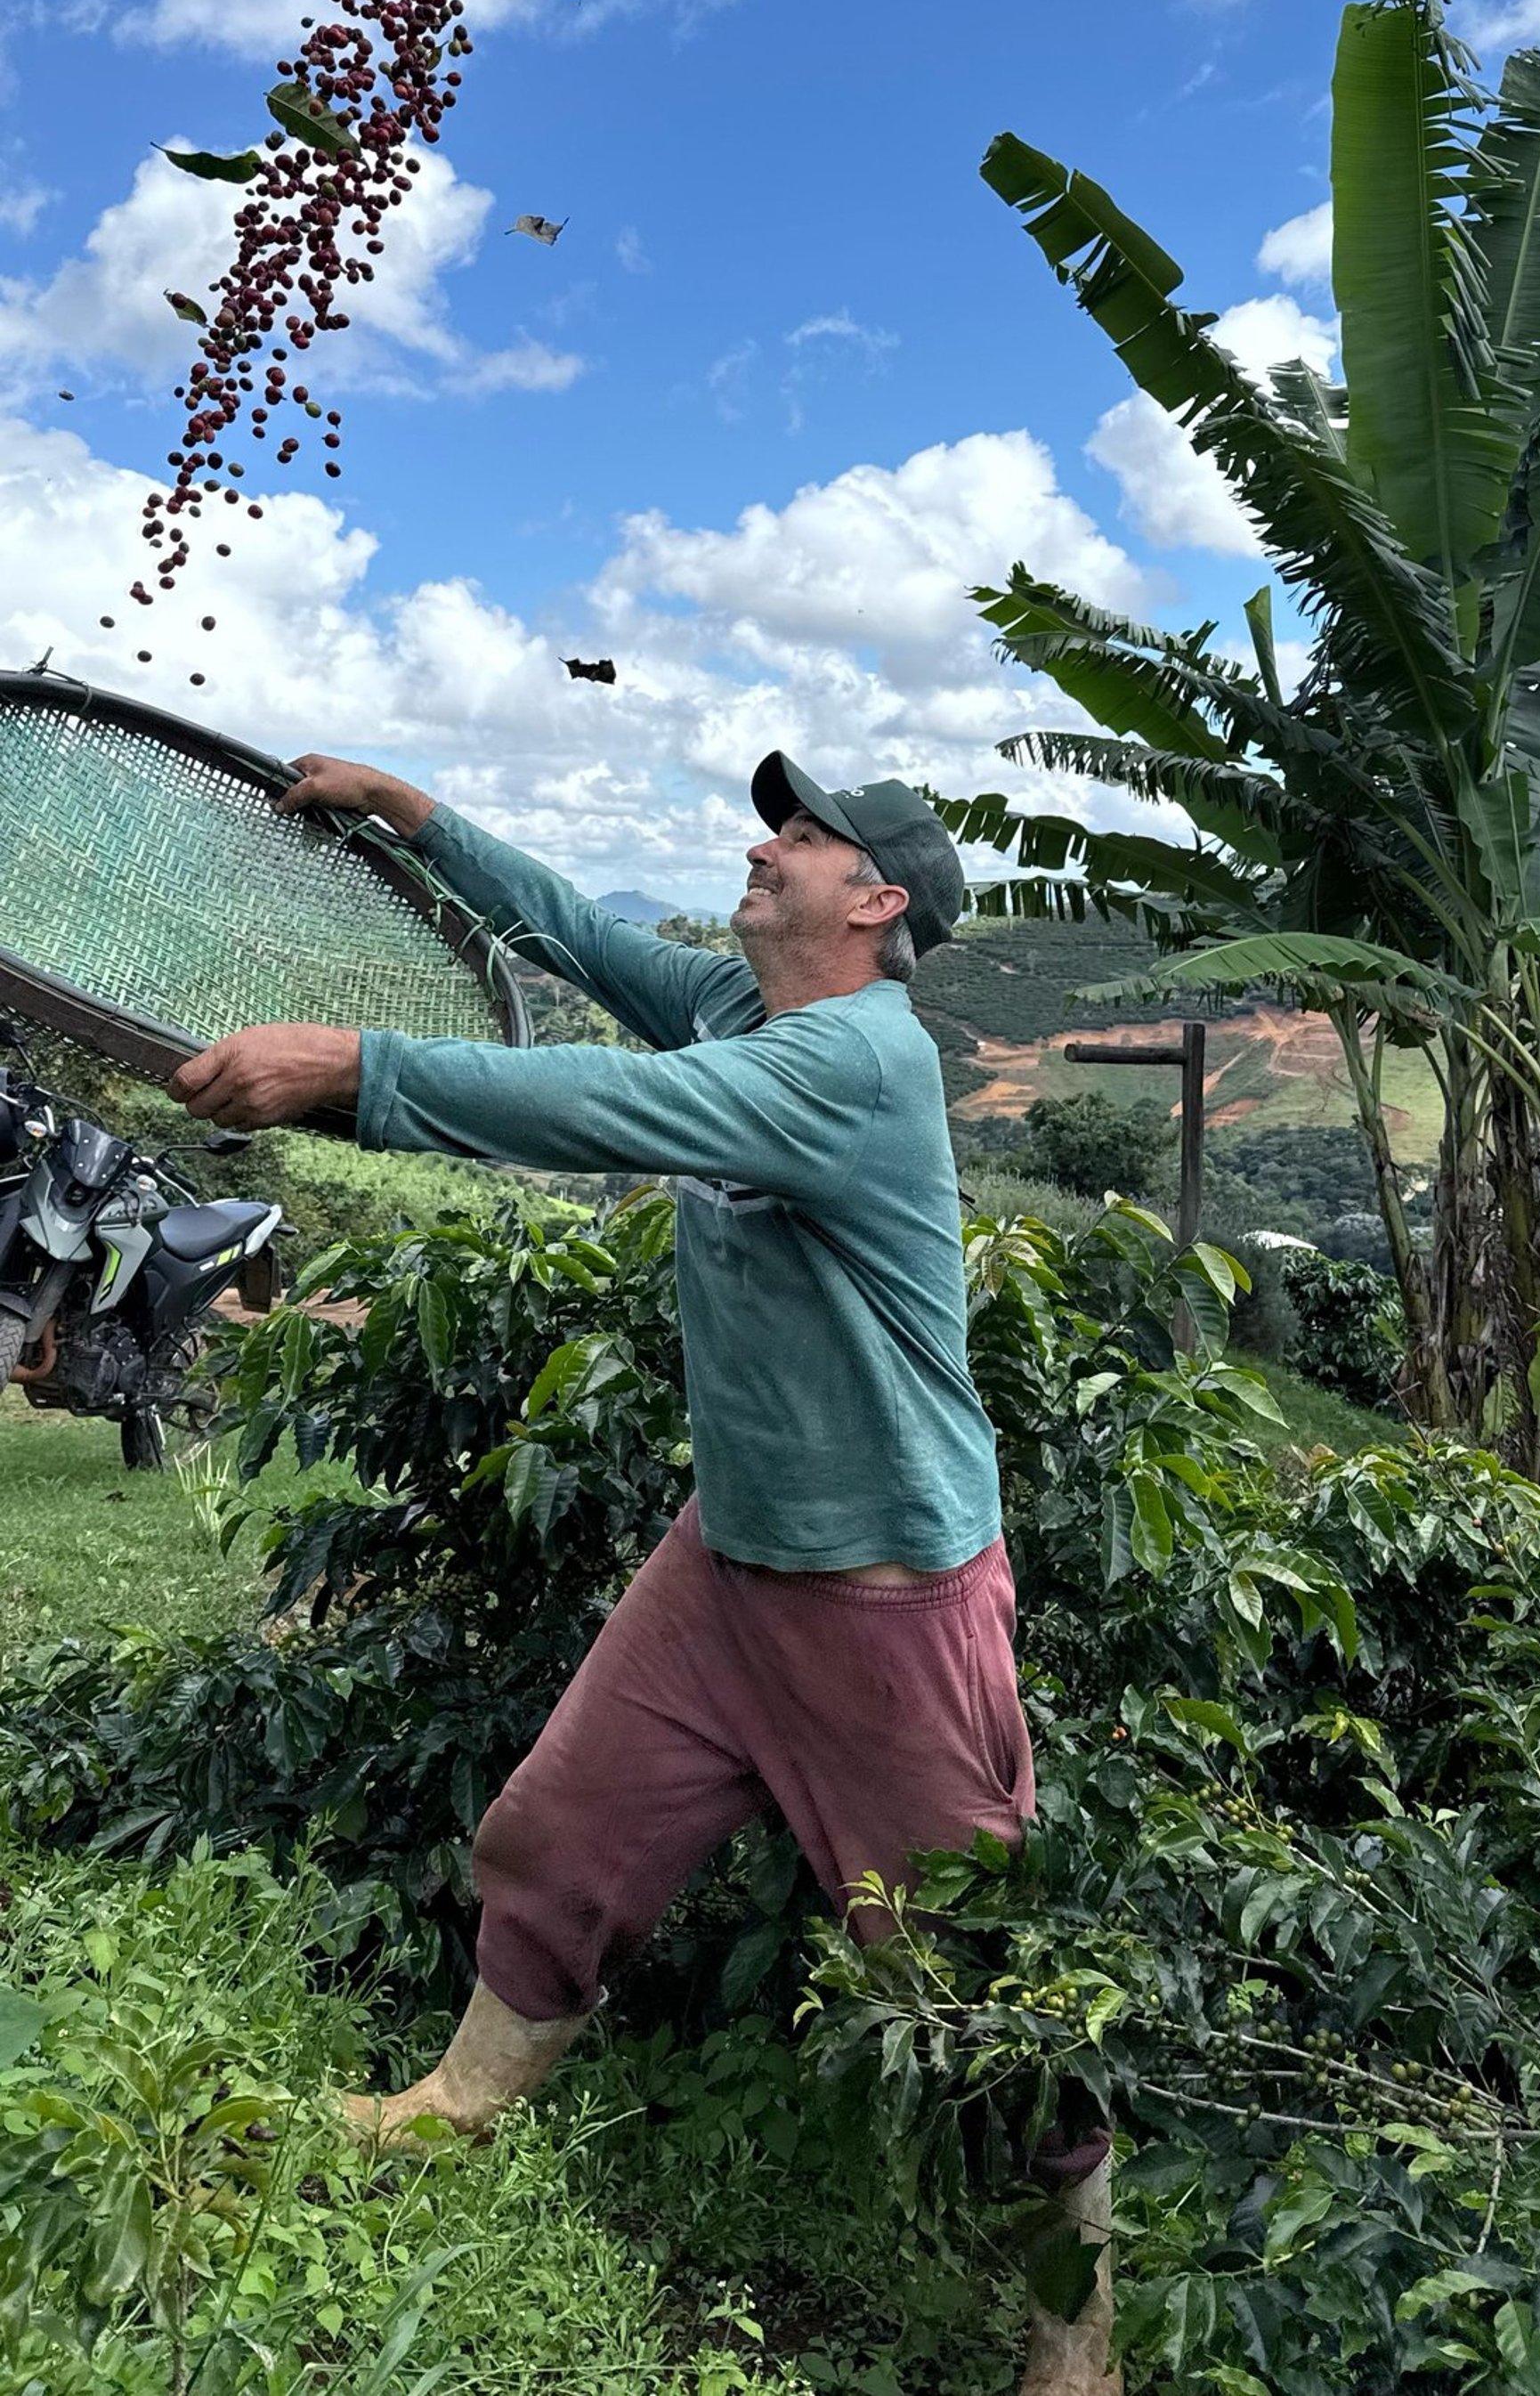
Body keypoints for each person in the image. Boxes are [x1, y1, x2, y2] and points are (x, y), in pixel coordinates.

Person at [169, 749, 1118, 2395]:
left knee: (968, 1983)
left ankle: (1079, 2334)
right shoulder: (749, 1008)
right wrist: (417, 817)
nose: (767, 846)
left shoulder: (860, 1060)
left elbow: (605, 1106)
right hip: (728, 1559)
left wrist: (355, 1069)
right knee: (555, 1833)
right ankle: (456, 2107)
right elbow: (580, 937)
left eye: (803, 837)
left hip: (886, 1594)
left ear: (877, 901)